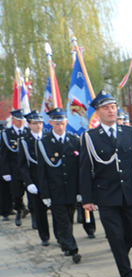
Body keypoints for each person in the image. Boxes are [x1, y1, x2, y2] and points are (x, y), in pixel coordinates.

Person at [80, 91, 132, 277]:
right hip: (105, 196)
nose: (111, 111)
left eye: (112, 107)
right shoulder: (90, 137)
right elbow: (85, 170)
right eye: (105, 108)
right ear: (98, 112)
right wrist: (87, 198)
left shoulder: (129, 132)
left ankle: (120, 253)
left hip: (129, 193)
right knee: (115, 236)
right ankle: (127, 274)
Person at [38, 108, 82, 263]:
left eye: (62, 123)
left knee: (68, 218)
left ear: (66, 122)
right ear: (51, 123)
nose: (60, 127)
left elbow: (79, 169)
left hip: (71, 189)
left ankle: (64, 242)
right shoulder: (44, 143)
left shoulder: (74, 140)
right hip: (55, 190)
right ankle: (72, 248)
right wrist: (45, 194)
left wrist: (80, 190)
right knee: (62, 219)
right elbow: (41, 171)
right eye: (57, 124)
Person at [18, 110, 50, 246]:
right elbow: (22, 165)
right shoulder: (24, 141)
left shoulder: (48, 138)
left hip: (51, 180)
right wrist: (29, 182)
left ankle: (63, 238)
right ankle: (44, 237)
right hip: (36, 181)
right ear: (29, 125)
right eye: (35, 123)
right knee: (40, 211)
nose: (38, 126)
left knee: (60, 211)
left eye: (40, 123)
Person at [1, 109, 29, 226]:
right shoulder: (6, 134)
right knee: (16, 193)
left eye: (22, 119)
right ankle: (19, 210)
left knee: (32, 193)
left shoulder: (28, 132)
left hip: (28, 169)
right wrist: (5, 171)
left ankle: (34, 216)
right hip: (14, 169)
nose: (20, 122)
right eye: (18, 119)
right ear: (13, 120)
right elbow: (3, 155)